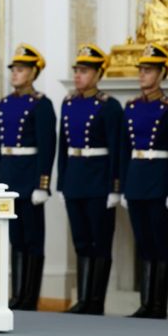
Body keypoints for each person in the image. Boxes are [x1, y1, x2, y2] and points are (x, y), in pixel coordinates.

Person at [118, 43, 168, 319]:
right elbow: (125, 150)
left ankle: (159, 305)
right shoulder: (131, 107)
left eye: (148, 71)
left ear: (161, 74)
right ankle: (146, 303)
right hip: (137, 181)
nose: (142, 75)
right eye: (141, 70)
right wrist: (124, 186)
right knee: (144, 244)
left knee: (161, 244)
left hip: (160, 182)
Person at [58, 44, 122, 315]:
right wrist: (61, 182)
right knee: (81, 241)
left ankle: (96, 301)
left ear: (98, 74)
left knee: (100, 242)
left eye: (84, 71)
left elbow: (117, 148)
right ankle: (83, 298)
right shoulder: (69, 103)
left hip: (98, 181)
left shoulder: (109, 106)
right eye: (77, 70)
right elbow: (63, 145)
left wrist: (115, 186)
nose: (78, 75)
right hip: (75, 179)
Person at [0, 44, 56, 311]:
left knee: (32, 239)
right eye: (14, 69)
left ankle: (30, 297)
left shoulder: (41, 105)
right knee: (15, 238)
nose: (15, 74)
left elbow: (47, 146)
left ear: (32, 73)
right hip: (9, 176)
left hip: (29, 179)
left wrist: (42, 184)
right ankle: (17, 294)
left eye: (20, 69)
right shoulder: (5, 104)